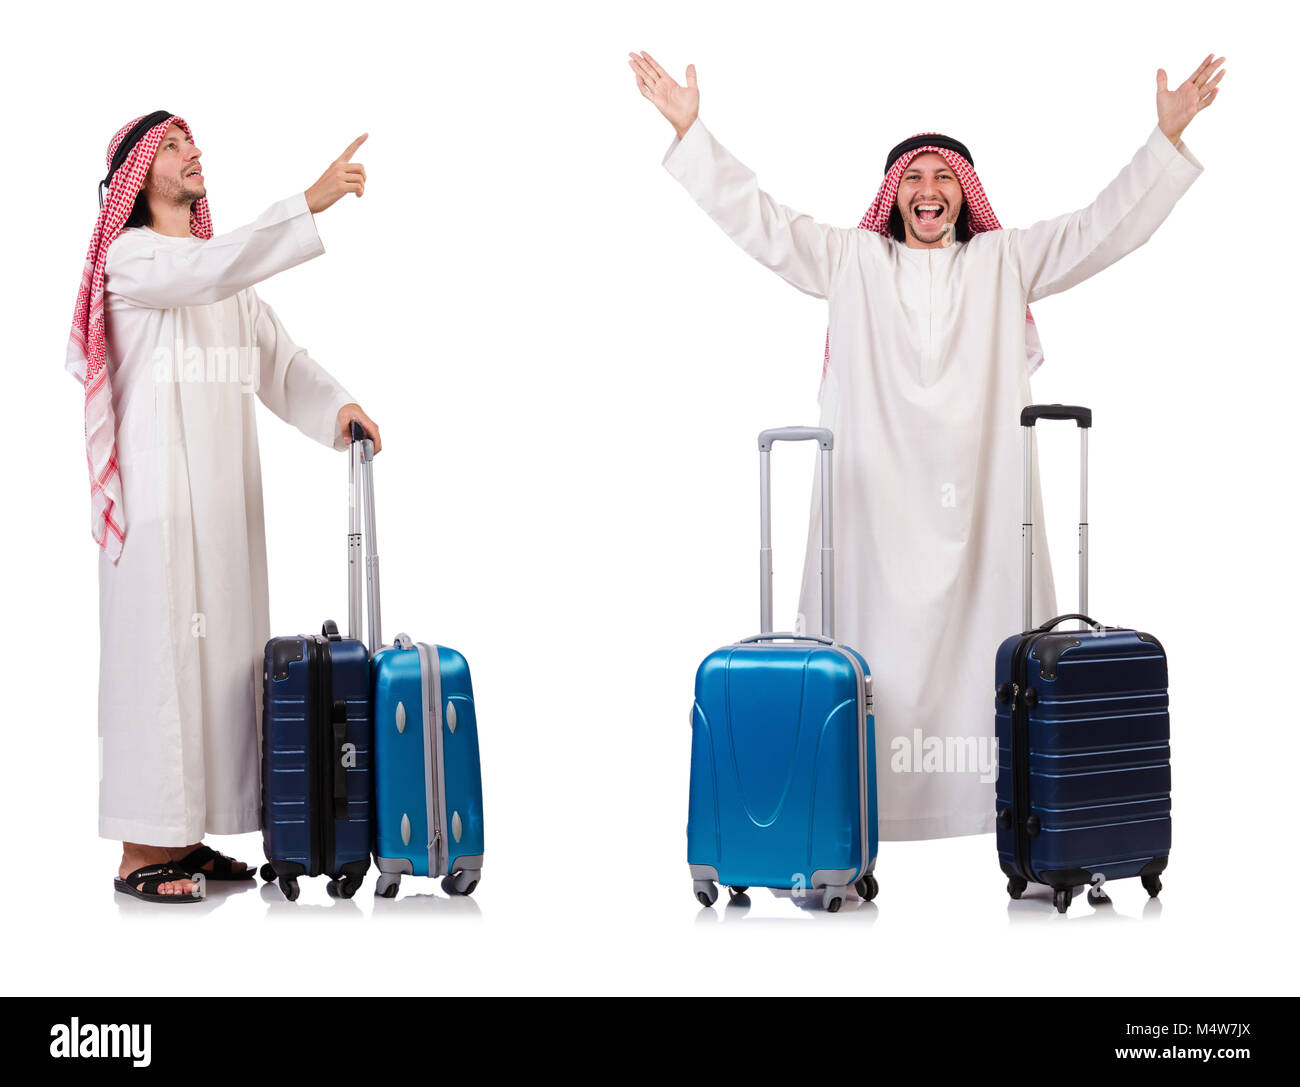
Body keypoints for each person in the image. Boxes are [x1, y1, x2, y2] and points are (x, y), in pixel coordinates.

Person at [631, 52, 1222, 841]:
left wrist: (1165, 139)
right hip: (873, 518)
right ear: (893, 196)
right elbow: (761, 222)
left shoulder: (1004, 262)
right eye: (913, 178)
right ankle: (842, 829)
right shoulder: (852, 262)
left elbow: (1100, 228)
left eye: (945, 177)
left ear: (965, 195)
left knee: (998, 656)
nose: (929, 189)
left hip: (985, 514)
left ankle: (1027, 828)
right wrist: (691, 131)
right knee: (865, 659)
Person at [67, 112, 382, 901]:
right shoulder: (133, 258)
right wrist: (307, 203)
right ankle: (140, 853)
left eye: (192, 141)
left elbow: (282, 361)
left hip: (223, 510)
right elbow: (206, 270)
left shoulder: (222, 279)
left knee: (220, 670)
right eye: (173, 146)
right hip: (158, 516)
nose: (193, 152)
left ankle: (186, 839)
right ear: (138, 174)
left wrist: (338, 406)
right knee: (160, 671)